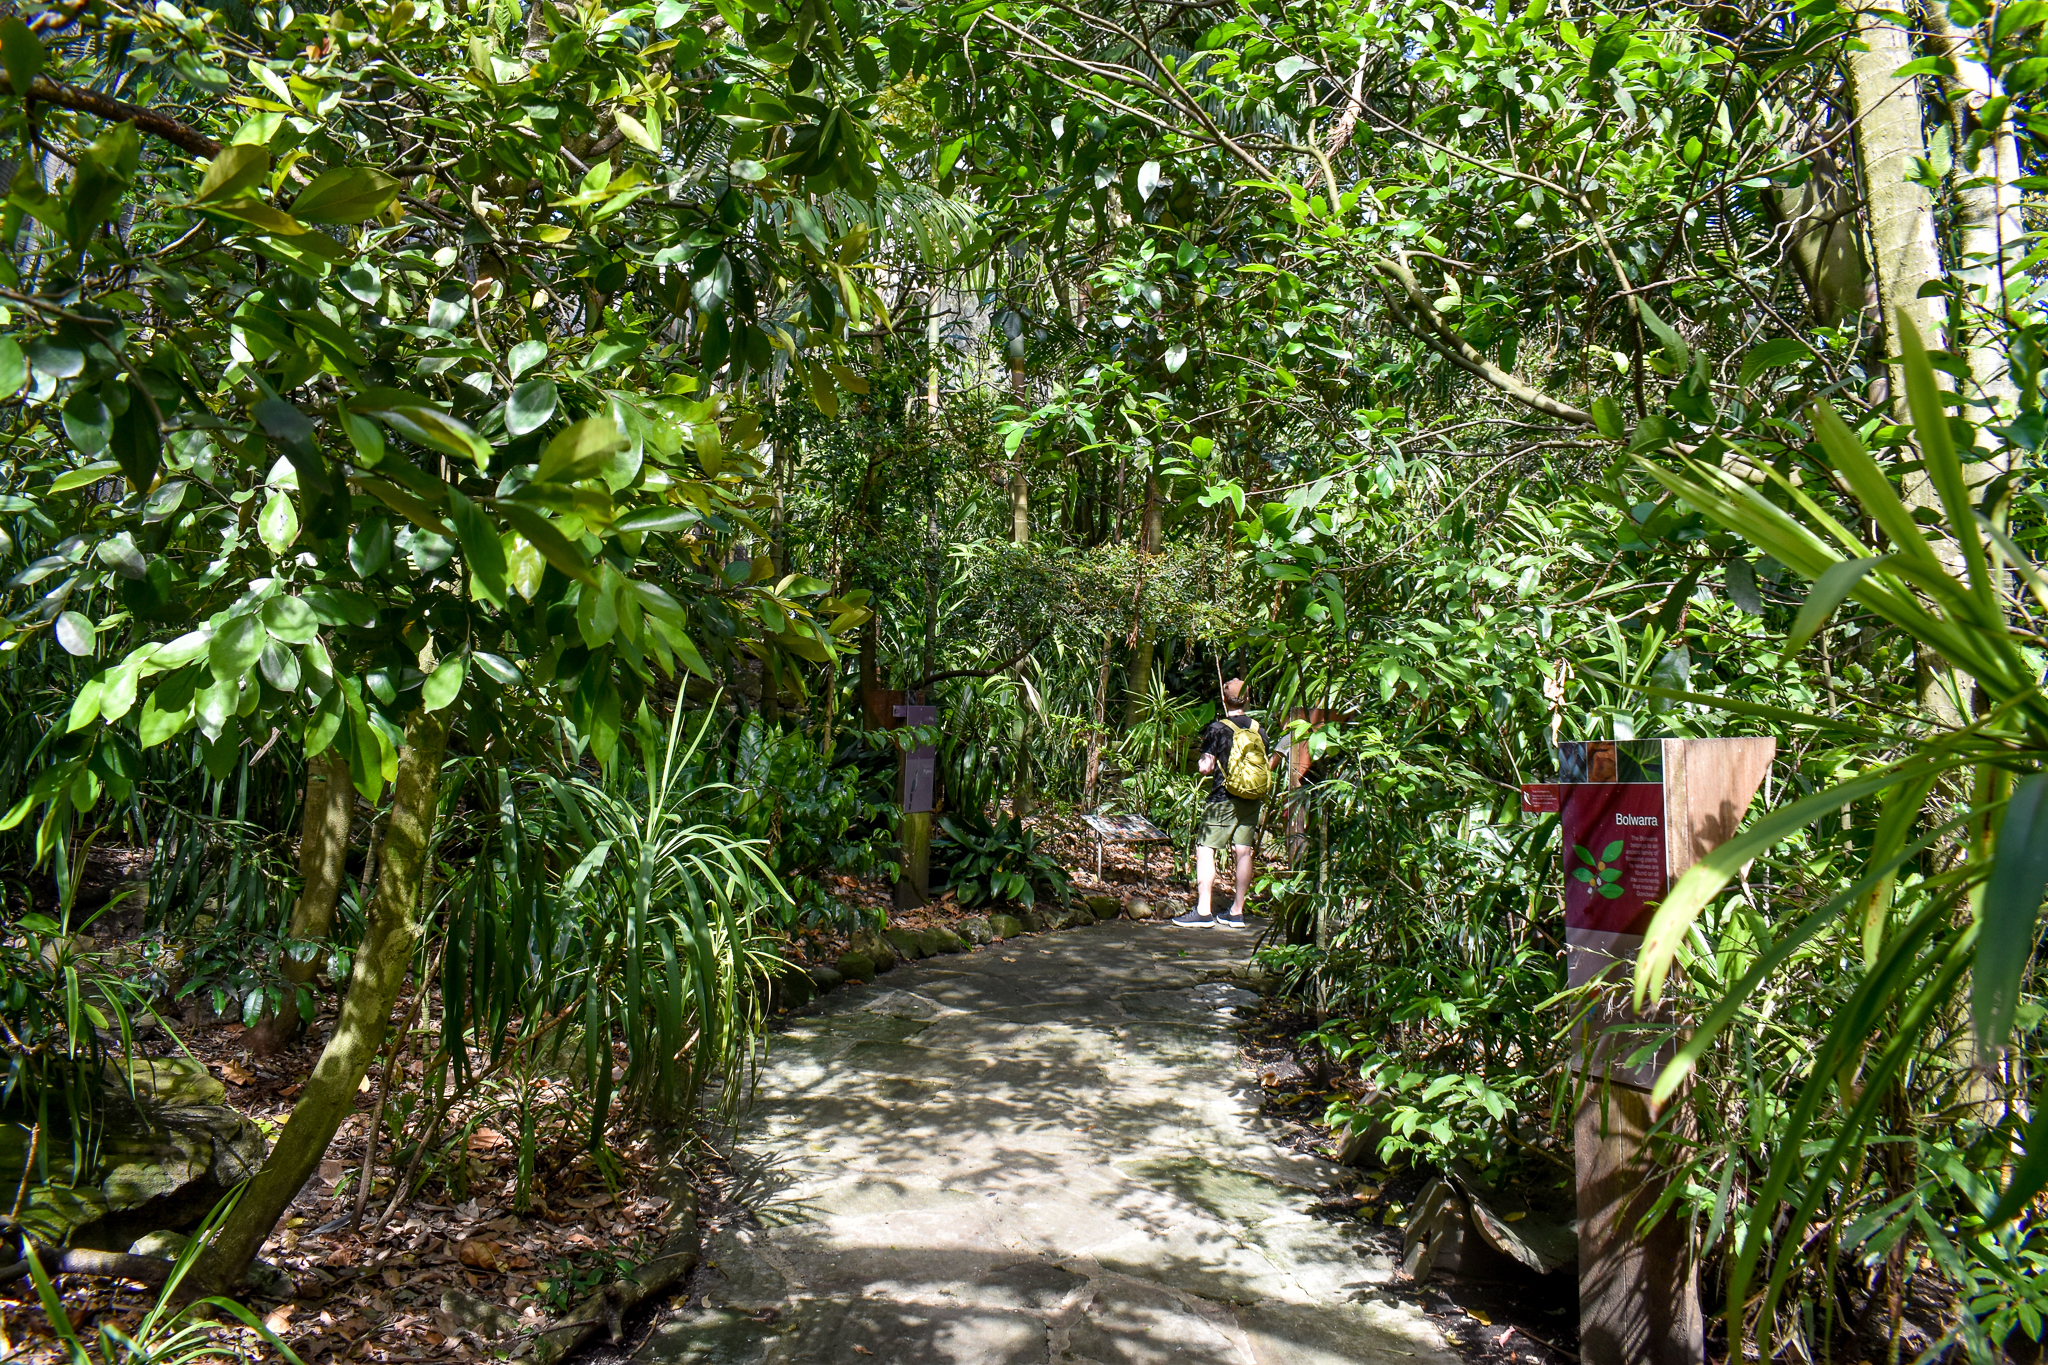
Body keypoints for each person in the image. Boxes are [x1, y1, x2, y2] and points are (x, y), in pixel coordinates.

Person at [1176, 678, 1281, 928]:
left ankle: (1203, 911)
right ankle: (1236, 911)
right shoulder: (1258, 729)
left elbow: (1206, 767)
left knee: (1206, 850)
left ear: (1224, 700)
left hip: (1224, 798)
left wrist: (1204, 764)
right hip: (1252, 798)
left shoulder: (1218, 729)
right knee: (1243, 851)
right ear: (1246, 699)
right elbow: (1266, 765)